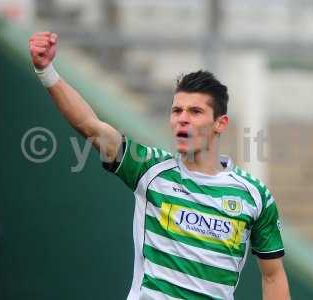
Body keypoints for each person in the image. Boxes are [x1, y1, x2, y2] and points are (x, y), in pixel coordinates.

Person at [29, 31, 290, 300]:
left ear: (220, 123)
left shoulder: (255, 195)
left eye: (195, 112)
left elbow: (273, 275)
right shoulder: (149, 169)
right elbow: (89, 125)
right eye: (177, 111)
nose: (182, 119)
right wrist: (46, 71)